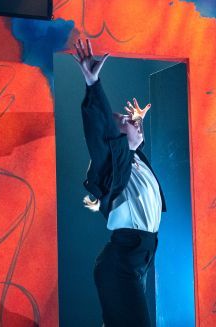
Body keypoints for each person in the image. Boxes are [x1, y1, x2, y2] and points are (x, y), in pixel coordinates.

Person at [72, 38, 166, 327]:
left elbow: (131, 150)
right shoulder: (111, 163)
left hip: (139, 258)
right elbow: (99, 130)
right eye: (125, 120)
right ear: (116, 139)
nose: (132, 120)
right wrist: (93, 83)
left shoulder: (134, 161)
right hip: (122, 261)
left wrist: (133, 126)